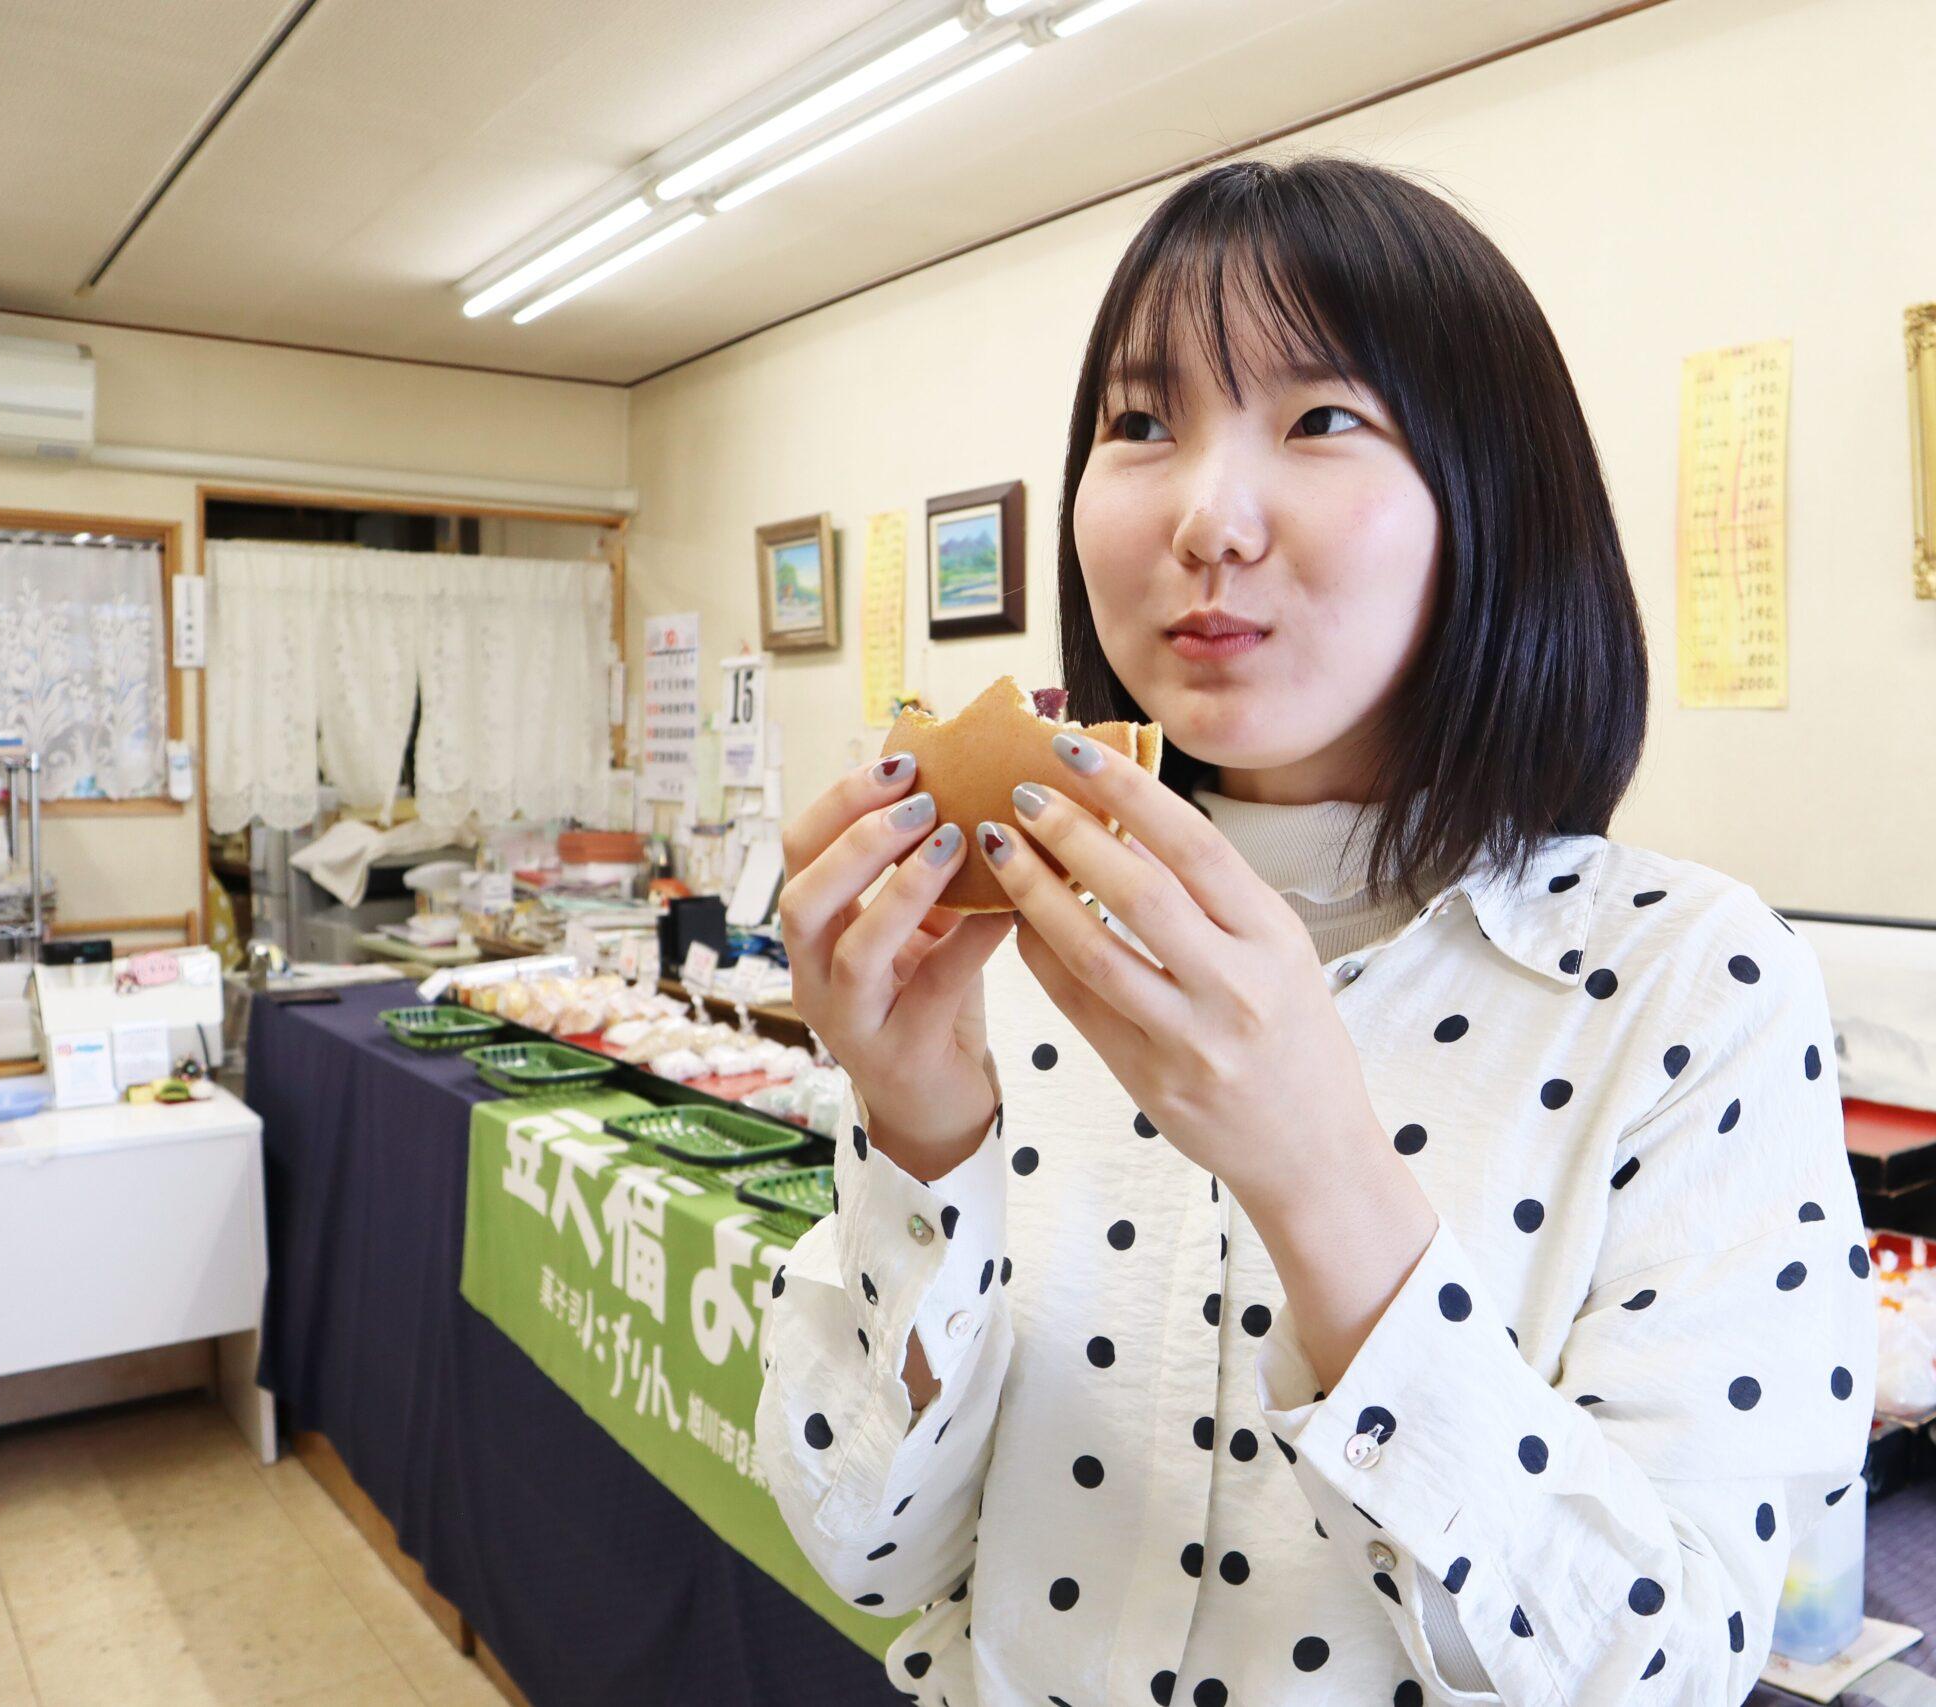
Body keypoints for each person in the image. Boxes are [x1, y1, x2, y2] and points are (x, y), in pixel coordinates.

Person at [756, 153, 1872, 1706]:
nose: (1207, 517)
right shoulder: (1006, 945)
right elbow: (870, 1558)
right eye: (1142, 424)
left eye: (1324, 418)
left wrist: (1320, 1174)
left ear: (1495, 492)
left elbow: (1671, 1669)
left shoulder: (1688, 984)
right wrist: (920, 1125)